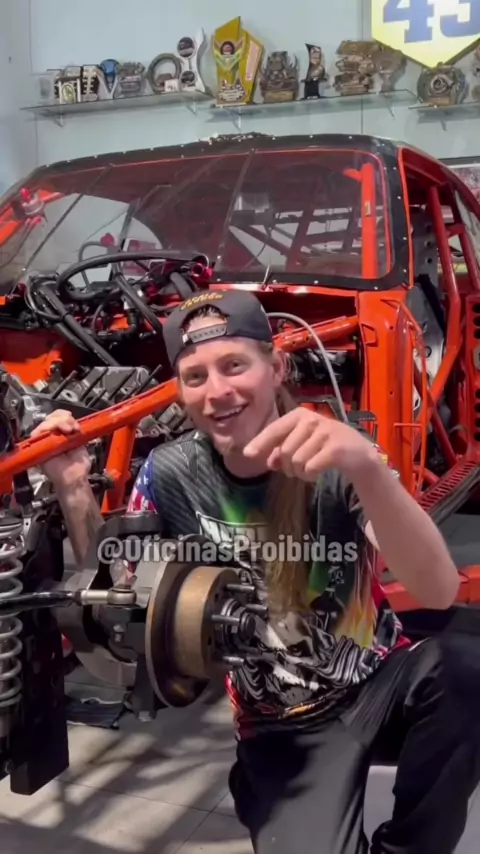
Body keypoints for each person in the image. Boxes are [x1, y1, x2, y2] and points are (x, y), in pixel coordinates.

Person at [32, 289, 480, 854]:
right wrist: (74, 487)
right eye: (195, 376)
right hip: (284, 722)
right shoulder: (170, 474)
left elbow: (437, 589)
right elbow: (120, 596)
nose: (217, 391)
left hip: (377, 681)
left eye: (234, 365)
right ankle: (261, 785)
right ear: (181, 391)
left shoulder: (336, 454)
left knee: (466, 669)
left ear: (277, 367)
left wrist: (368, 468)